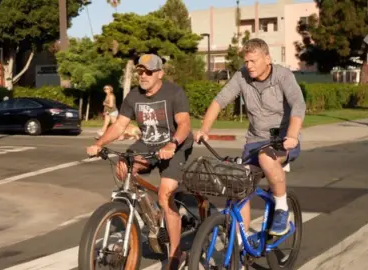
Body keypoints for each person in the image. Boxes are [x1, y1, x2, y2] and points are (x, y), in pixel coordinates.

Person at [87, 53, 193, 269]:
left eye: (148, 72)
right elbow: (119, 126)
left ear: (160, 73)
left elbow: (184, 124)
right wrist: (99, 143)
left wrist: (172, 144)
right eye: (140, 72)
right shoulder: (133, 96)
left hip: (175, 145)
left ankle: (175, 254)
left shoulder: (174, 92)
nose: (143, 76)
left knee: (165, 195)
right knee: (123, 166)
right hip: (148, 143)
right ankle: (153, 216)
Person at [195, 38, 306, 237]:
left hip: (279, 137)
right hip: (254, 140)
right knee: (238, 187)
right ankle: (241, 244)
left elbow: (298, 105)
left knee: (266, 157)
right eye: (246, 61)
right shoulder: (242, 76)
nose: (249, 66)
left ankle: (282, 209)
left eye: (253, 61)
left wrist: (292, 135)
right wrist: (204, 128)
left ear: (267, 59)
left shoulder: (283, 75)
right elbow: (219, 101)